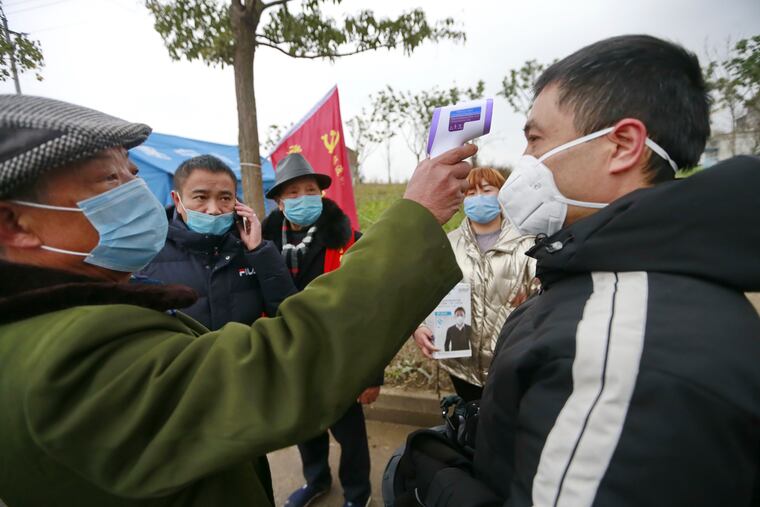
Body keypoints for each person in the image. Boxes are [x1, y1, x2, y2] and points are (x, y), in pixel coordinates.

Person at [0, 95, 475, 507]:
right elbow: (279, 360)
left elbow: (281, 308)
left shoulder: (76, 311)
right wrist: (415, 218)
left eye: (132, 173)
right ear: (15, 224)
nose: (136, 193)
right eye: (109, 180)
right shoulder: (67, 359)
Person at [407, 35, 760, 507]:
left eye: (535, 138)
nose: (526, 162)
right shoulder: (608, 273)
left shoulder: (619, 349)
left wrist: (437, 482)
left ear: (621, 146)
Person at [261, 153, 380, 507]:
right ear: (280, 203)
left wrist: (372, 373)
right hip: (291, 358)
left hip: (339, 359)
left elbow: (370, 309)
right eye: (292, 193)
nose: (302, 199)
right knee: (305, 426)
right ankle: (316, 480)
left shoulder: (349, 242)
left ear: (322, 195)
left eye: (309, 190)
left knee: (350, 434)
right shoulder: (260, 245)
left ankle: (358, 492)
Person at [412, 167, 536, 402]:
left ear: (502, 195)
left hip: (513, 364)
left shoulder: (528, 245)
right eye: (470, 193)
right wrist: (419, 327)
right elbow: (424, 292)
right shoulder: (446, 245)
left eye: (487, 190)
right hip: (462, 368)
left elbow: (547, 297)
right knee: (472, 427)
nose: (478, 197)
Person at [138, 154, 296, 330]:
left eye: (225, 198)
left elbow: (287, 315)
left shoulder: (252, 250)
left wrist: (260, 251)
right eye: (201, 197)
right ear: (177, 200)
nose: (213, 210)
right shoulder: (149, 252)